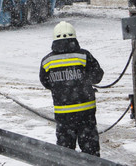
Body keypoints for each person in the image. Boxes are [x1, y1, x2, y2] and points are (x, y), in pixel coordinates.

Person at [39, 21, 104, 157]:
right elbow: (98, 76)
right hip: (86, 113)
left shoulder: (47, 61)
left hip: (63, 114)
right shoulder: (84, 56)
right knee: (90, 150)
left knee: (65, 152)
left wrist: (60, 88)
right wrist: (84, 81)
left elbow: (45, 82)